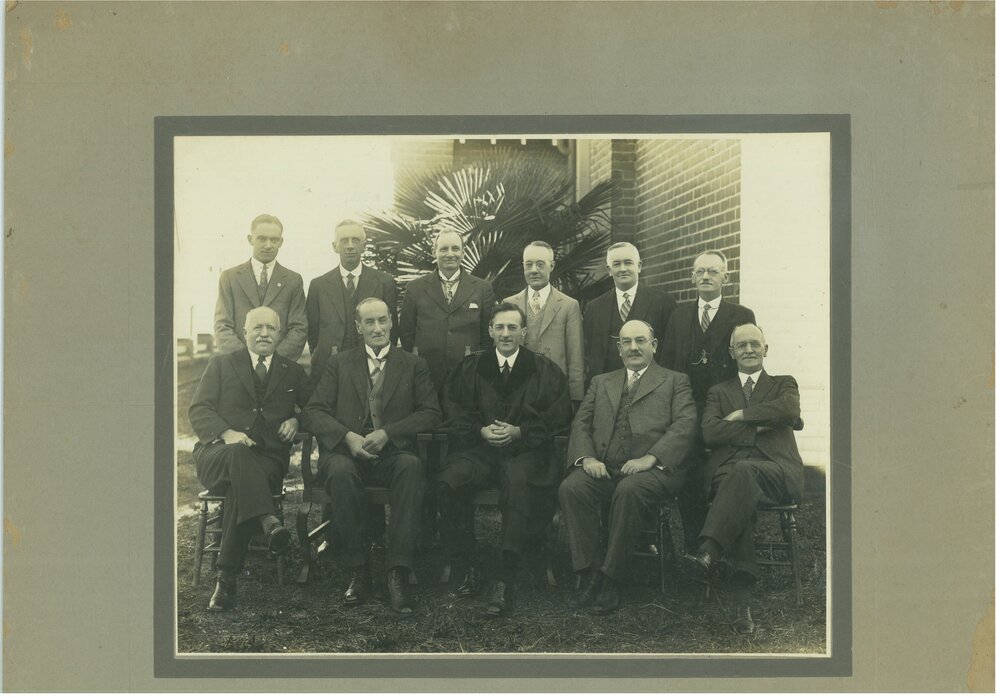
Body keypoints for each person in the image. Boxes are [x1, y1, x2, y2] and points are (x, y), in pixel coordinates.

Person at [302, 298, 442, 614]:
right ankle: (358, 569)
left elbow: (431, 412)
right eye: (369, 322)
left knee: (411, 466)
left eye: (382, 321)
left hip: (390, 455)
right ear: (358, 327)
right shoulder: (340, 364)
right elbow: (313, 411)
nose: (377, 328)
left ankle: (397, 572)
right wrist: (347, 437)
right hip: (345, 454)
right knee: (339, 472)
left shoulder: (412, 364)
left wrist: (388, 433)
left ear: (392, 322)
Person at [437, 302, 571, 616]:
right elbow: (453, 409)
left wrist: (521, 431)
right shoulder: (471, 367)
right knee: (448, 482)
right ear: (490, 331)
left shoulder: (545, 369)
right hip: (480, 450)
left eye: (513, 327)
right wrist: (480, 431)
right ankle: (466, 564)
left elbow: (559, 415)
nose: (506, 333)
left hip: (524, 452)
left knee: (518, 484)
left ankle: (505, 576)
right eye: (500, 327)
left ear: (524, 332)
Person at [559, 320, 696, 614]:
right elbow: (581, 422)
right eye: (627, 342)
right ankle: (588, 572)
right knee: (573, 487)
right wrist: (588, 459)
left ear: (653, 345)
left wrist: (652, 458)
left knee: (629, 490)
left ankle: (611, 578)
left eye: (640, 341)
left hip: (654, 471)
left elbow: (685, 425)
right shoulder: (601, 381)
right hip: (606, 466)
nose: (633, 347)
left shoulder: (675, 380)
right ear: (618, 347)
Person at [680, 323, 805, 634]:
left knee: (741, 476)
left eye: (755, 344)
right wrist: (765, 424)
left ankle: (708, 552)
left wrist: (741, 416)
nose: (749, 350)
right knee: (740, 488)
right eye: (742, 345)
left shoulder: (783, 384)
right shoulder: (719, 392)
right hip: (730, 472)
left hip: (776, 469)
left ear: (766, 349)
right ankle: (741, 604)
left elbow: (790, 408)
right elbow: (710, 431)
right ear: (732, 352)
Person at [189, 306, 310, 612]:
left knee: (237, 492)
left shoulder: (292, 371)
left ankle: (225, 580)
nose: (264, 333)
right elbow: (199, 409)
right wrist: (227, 433)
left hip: (267, 460)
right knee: (239, 455)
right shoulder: (221, 365)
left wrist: (298, 422)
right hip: (218, 454)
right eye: (257, 328)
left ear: (280, 333)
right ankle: (268, 522)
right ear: (245, 334)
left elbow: (316, 409)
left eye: (270, 328)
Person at [662, 250, 756, 552]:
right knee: (688, 474)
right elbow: (668, 363)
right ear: (692, 277)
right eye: (700, 271)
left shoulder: (741, 316)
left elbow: (747, 363)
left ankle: (725, 548)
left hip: (724, 411)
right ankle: (694, 550)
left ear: (725, 278)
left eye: (713, 272)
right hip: (686, 409)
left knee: (722, 476)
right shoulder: (678, 315)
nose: (705, 277)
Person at [399, 231, 495, 392]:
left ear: (463, 252)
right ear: (434, 252)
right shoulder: (415, 288)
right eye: (444, 249)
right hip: (426, 375)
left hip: (468, 374)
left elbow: (488, 335)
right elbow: (406, 332)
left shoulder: (482, 288)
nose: (450, 254)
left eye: (455, 249)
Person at [306, 219, 397, 386]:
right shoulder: (318, 285)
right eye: (344, 240)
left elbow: (392, 328)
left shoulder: (384, 282)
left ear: (363, 246)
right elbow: (313, 333)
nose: (349, 246)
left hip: (371, 366)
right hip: (328, 366)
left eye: (355, 240)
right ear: (335, 246)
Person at [214, 214, 308, 361]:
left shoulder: (293, 280)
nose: (268, 245)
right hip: (238, 368)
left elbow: (299, 328)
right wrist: (246, 361)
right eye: (262, 239)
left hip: (278, 370)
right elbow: (222, 325)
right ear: (250, 239)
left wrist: (273, 363)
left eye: (274, 240)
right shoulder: (230, 278)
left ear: (281, 242)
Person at [503, 241, 585, 407]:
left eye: (540, 264)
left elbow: (575, 358)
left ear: (552, 265)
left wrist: (575, 399)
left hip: (555, 393)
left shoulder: (569, 306)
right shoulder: (509, 304)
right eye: (529, 264)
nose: (534, 270)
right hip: (515, 393)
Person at [582, 242, 674, 387]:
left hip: (651, 388)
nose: (623, 269)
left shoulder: (663, 302)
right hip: (607, 390)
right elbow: (588, 356)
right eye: (616, 264)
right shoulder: (594, 308)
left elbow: (670, 352)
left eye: (628, 263)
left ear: (639, 266)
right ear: (609, 270)